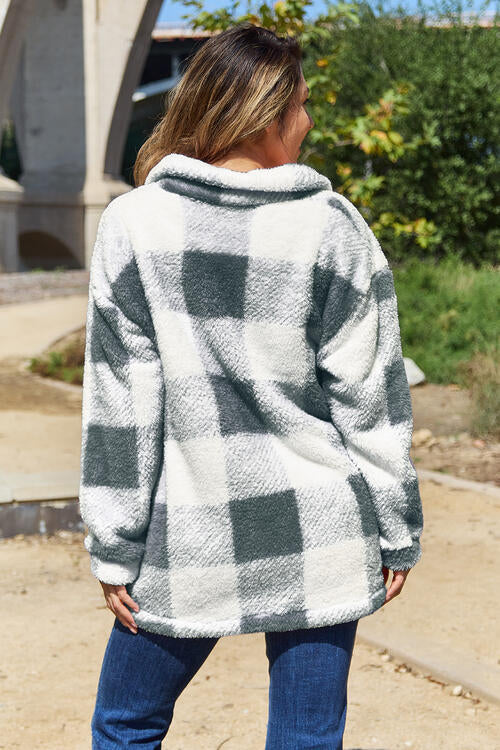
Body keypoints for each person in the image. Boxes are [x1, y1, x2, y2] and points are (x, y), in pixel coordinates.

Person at [78, 21, 424, 750]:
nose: (308, 122)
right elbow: (371, 401)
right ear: (266, 115)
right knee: (307, 737)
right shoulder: (334, 227)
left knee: (126, 724)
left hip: (189, 533)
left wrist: (115, 545)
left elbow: (122, 406)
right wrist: (397, 528)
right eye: (301, 105)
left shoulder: (134, 225)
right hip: (323, 531)